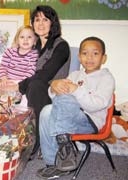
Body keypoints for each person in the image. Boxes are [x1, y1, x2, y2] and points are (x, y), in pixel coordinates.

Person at [37, 36, 115, 179]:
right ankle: (53, 164)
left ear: (104, 58)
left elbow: (97, 105)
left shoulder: (106, 78)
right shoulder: (74, 75)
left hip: (90, 121)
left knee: (67, 97)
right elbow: (57, 99)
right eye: (85, 53)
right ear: (79, 57)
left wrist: (76, 90)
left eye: (95, 53)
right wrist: (54, 87)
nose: (89, 57)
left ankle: (64, 145)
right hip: (67, 119)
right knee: (46, 112)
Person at [0, 5, 71, 156]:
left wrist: (17, 86)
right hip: (28, 90)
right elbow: (13, 63)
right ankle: (1, 136)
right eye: (37, 19)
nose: (40, 23)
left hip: (51, 95)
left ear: (53, 23)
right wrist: (0, 79)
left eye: (45, 19)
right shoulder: (33, 44)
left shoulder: (61, 46)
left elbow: (45, 75)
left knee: (35, 85)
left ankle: (35, 140)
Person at [0, 25, 38, 106]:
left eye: (29, 37)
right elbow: (3, 66)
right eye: (22, 37)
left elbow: (31, 71)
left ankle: (21, 111)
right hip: (8, 80)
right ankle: (6, 108)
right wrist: (3, 77)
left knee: (24, 101)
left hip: (22, 83)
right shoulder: (10, 52)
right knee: (4, 96)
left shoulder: (34, 54)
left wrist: (19, 84)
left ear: (34, 41)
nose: (25, 40)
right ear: (17, 39)